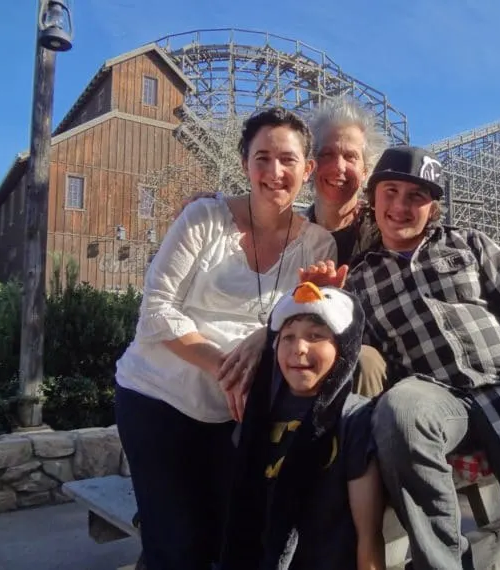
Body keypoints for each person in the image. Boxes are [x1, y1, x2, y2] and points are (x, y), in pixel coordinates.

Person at [332, 145, 500, 569]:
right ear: (373, 197)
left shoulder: (469, 245)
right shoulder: (361, 279)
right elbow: (343, 352)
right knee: (400, 408)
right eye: (391, 191)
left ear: (433, 206)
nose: (401, 206)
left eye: (416, 196)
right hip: (435, 400)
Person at [114, 107, 337, 570]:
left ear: (308, 169)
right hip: (158, 395)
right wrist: (224, 368)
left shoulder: (317, 245)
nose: (274, 172)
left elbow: (303, 321)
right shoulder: (204, 219)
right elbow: (155, 311)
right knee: (177, 547)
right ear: (244, 164)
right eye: (262, 158)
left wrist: (264, 335)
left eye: (288, 160)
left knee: (230, 540)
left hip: (234, 417)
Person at [209, 97, 389, 405]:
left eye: (350, 156)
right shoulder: (293, 233)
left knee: (364, 360)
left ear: (367, 168)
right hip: (295, 356)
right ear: (310, 165)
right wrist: (212, 205)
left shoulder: (385, 230)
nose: (338, 167)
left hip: (362, 360)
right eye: (327, 154)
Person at [221, 282, 385, 570]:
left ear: (343, 347)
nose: (299, 348)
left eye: (315, 335)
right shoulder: (258, 412)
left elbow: (368, 536)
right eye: (288, 337)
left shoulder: (354, 418)